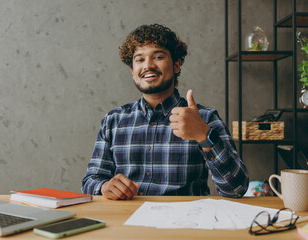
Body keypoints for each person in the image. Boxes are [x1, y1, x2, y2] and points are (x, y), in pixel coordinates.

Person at [82, 24, 249, 200]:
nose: (148, 65)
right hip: (126, 222)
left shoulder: (204, 118)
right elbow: (90, 181)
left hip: (186, 222)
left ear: (176, 65)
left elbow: (236, 189)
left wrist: (204, 136)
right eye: (139, 60)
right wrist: (104, 186)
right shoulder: (113, 121)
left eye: (158, 56)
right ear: (133, 71)